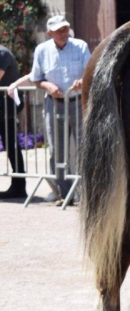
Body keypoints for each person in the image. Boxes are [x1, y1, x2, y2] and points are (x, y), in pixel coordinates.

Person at [30, 15, 91, 203]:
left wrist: (83, 81)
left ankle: (87, 192)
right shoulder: (42, 50)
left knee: (85, 147)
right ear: (50, 33)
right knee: (58, 150)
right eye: (59, 30)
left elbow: (91, 71)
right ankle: (65, 194)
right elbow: (36, 78)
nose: (63, 33)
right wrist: (47, 86)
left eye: (65, 29)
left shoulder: (80, 46)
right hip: (54, 104)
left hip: (79, 102)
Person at [0, 46, 27, 199]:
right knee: (11, 145)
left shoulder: (2, 53)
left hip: (6, 107)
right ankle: (18, 186)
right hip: (3, 106)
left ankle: (19, 186)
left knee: (11, 146)